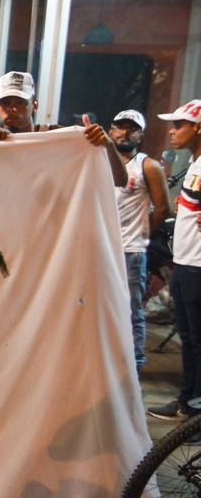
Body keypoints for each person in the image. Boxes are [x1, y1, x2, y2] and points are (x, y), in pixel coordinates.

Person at [149, 100, 201, 420]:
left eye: (180, 124)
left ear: (198, 127)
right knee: (190, 339)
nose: (172, 130)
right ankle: (187, 401)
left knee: (198, 341)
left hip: (198, 266)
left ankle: (196, 413)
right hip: (185, 262)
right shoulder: (195, 163)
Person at [108, 109, 170, 375]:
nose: (124, 132)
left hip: (131, 251)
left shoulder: (148, 166)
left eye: (131, 128)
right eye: (119, 126)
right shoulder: (100, 161)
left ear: (140, 134)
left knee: (132, 310)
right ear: (111, 130)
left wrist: (139, 233)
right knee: (102, 307)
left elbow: (162, 209)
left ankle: (134, 367)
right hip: (103, 249)